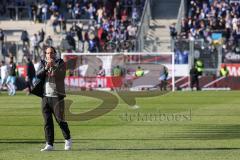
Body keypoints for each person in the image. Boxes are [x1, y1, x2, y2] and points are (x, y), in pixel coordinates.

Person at [36, 47, 72, 151]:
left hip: (57, 97)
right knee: (47, 122)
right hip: (45, 97)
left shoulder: (60, 63)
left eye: (51, 53)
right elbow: (38, 75)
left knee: (60, 120)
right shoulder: (43, 63)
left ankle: (68, 139)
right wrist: (46, 67)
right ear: (45, 54)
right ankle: (49, 144)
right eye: (47, 53)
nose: (49, 55)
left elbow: (61, 76)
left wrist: (53, 66)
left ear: (55, 54)